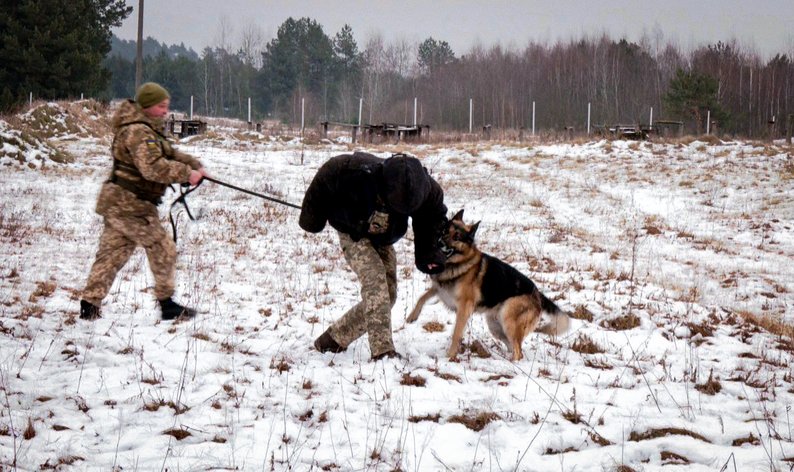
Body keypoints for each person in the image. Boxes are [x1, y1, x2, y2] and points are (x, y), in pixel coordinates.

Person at [299, 151, 448, 360]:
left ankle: (332, 340)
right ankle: (383, 352)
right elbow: (329, 172)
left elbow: (431, 220)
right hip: (353, 232)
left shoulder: (427, 191)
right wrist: (312, 217)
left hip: (384, 237)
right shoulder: (357, 173)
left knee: (388, 295)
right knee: (375, 282)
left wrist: (429, 255)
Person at [79, 82, 207, 321]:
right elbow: (153, 167)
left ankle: (89, 305)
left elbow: (168, 154)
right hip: (131, 206)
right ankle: (167, 304)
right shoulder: (138, 131)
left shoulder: (148, 128)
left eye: (167, 106)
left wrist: (194, 164)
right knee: (162, 247)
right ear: (147, 106)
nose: (165, 111)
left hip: (120, 204)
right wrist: (186, 174)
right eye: (161, 106)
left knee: (111, 255)